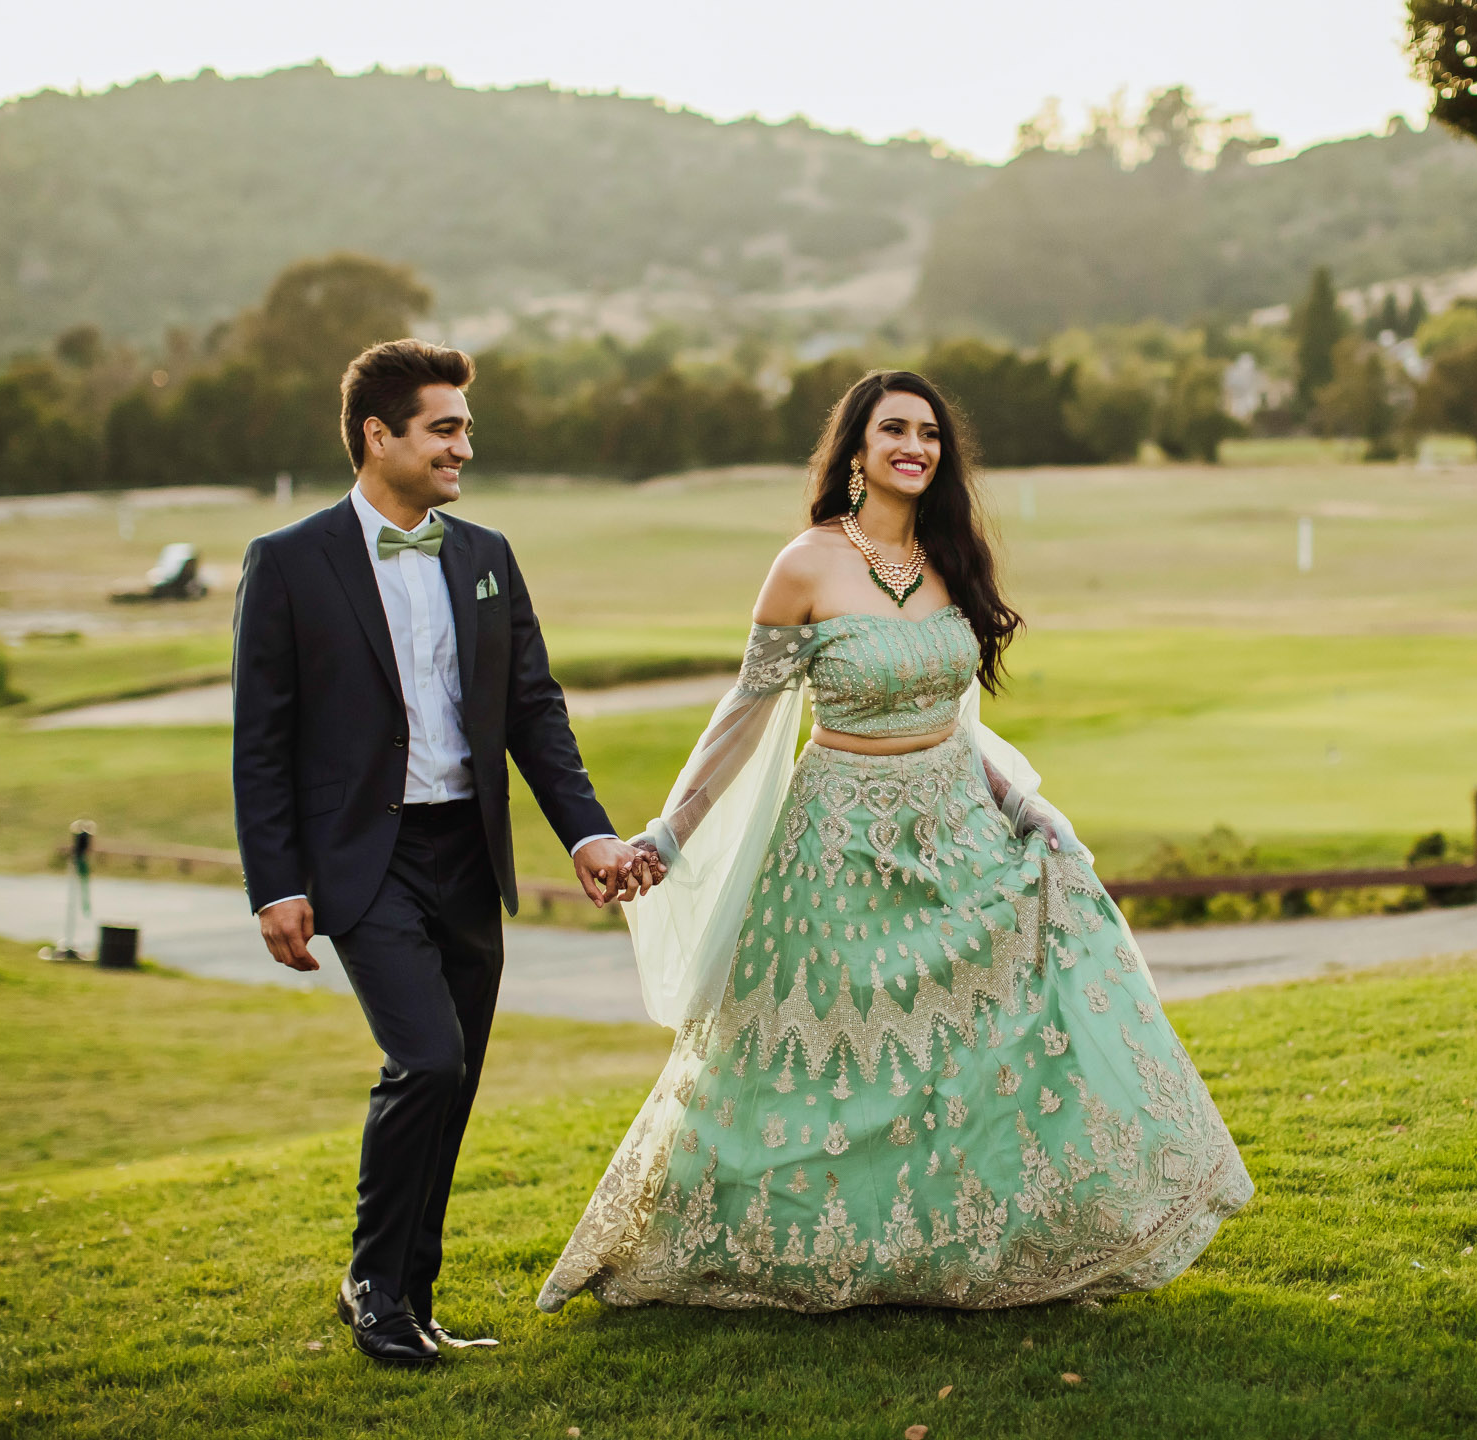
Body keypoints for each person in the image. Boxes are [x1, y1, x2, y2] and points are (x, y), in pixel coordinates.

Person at [538, 370, 1249, 1313]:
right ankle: (766, 1243)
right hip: (838, 845)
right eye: (894, 430)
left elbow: (958, 716)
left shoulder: (954, 556)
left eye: (929, 432)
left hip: (955, 827)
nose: (915, 445)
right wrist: (670, 833)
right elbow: (747, 715)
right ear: (858, 450)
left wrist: (1025, 808)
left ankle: (988, 1242)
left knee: (984, 1033)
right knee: (826, 1062)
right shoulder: (806, 564)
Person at [231, 339, 662, 1365]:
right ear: (378, 436)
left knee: (456, 1076)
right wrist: (276, 884)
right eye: (446, 427)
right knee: (425, 1059)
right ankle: (373, 1285)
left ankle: (409, 1298)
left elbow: (533, 710)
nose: (467, 444)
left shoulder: (485, 557)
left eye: (465, 426)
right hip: (362, 861)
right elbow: (261, 739)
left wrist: (588, 830)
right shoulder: (287, 562)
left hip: (468, 851)